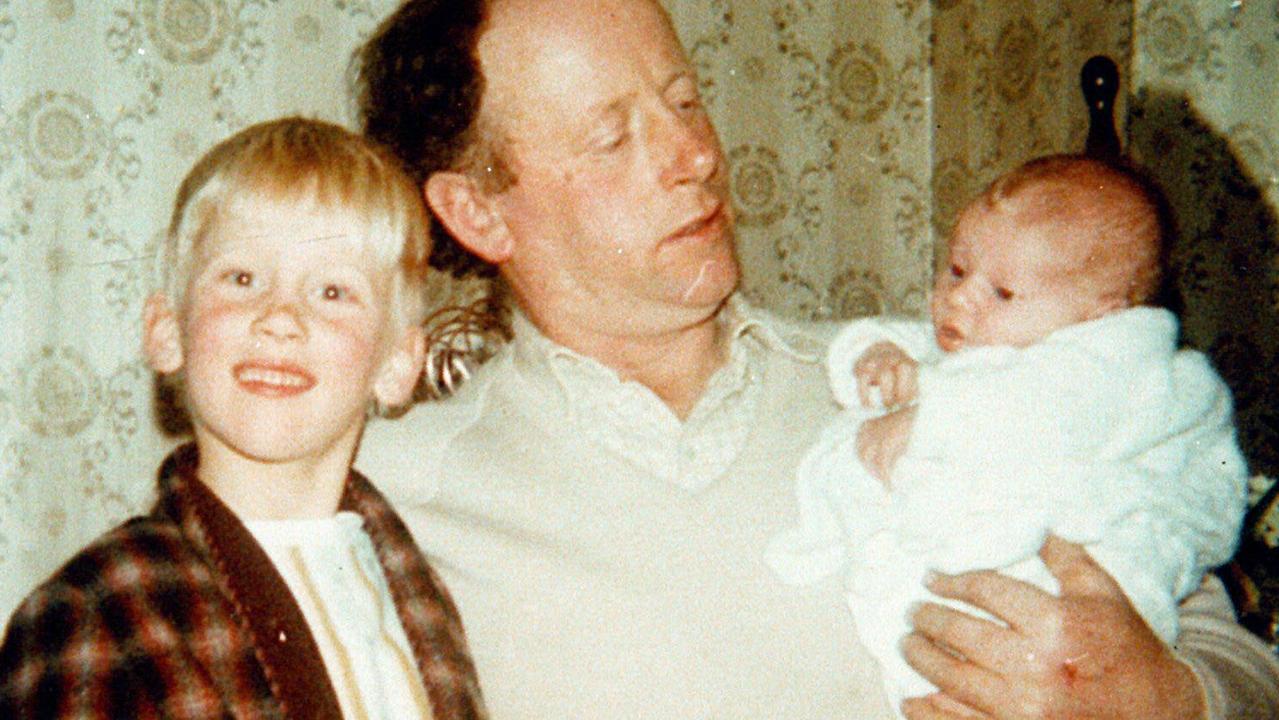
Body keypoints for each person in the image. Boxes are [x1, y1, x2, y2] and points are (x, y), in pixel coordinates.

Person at [353, 0, 1279, 717]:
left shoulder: (930, 378)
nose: (693, 154)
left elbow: (1229, 648)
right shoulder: (396, 494)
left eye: (684, 101)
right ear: (476, 211)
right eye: (612, 136)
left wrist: (1170, 698)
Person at [0, 117, 487, 719]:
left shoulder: (423, 591)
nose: (279, 317)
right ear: (167, 332)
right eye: (242, 278)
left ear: (397, 364)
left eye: (332, 291)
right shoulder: (93, 610)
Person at [765, 154, 1248, 714]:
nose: (960, 298)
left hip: (1077, 589)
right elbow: (895, 340)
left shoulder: (1123, 369)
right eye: (957, 270)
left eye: (1003, 292)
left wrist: (931, 418)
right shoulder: (977, 347)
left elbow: (1052, 416)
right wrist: (874, 354)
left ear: (1100, 316)